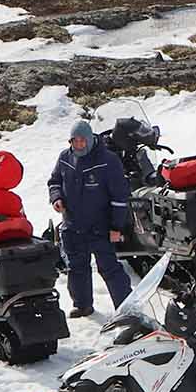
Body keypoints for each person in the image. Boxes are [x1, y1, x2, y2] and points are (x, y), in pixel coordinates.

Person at [47, 119, 132, 319]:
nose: (78, 145)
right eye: (74, 141)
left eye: (82, 141)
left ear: (90, 139)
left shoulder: (108, 160)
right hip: (73, 224)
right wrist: (56, 197)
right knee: (76, 267)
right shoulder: (65, 157)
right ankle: (83, 305)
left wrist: (116, 226)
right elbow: (54, 181)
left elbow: (120, 197)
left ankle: (127, 309)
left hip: (100, 226)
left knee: (110, 268)